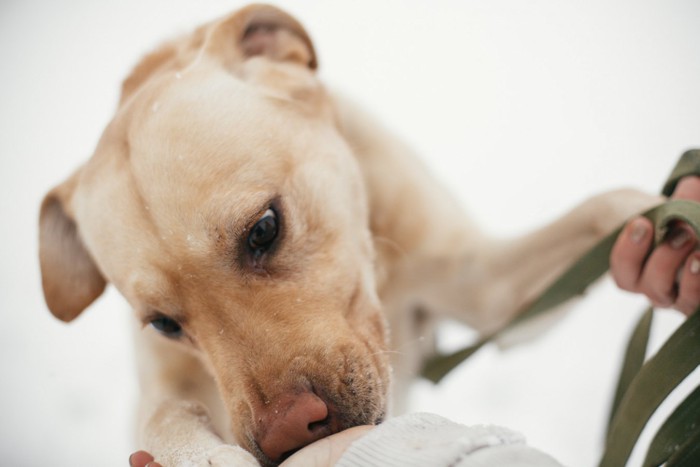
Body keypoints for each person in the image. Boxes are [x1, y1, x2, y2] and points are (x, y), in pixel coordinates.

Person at [129, 176, 700, 467]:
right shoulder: (148, 229)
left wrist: (615, 219)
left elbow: (493, 294)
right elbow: (168, 395)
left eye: (263, 235)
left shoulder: (330, 162)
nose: (277, 429)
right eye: (167, 322)